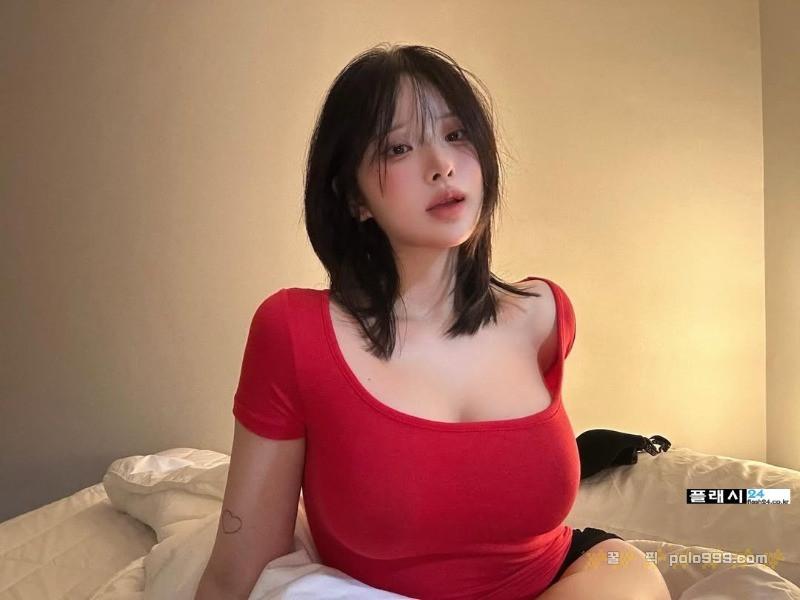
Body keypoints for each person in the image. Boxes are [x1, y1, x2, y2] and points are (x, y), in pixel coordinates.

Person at [196, 43, 671, 600]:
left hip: (583, 571)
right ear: (354, 197)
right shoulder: (294, 332)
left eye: (456, 134)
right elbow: (240, 567)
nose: (442, 164)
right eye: (399, 147)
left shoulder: (544, 314)